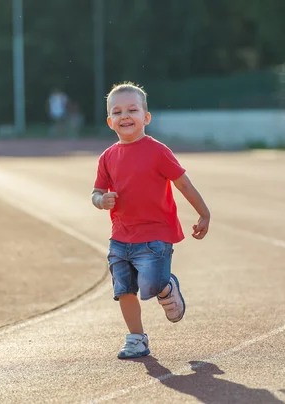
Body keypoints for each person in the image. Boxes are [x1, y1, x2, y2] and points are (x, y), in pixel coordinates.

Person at [91, 82, 211, 359]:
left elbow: (184, 184)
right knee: (124, 290)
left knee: (152, 285)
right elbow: (96, 191)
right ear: (110, 121)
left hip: (156, 234)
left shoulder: (157, 151)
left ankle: (167, 287)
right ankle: (136, 339)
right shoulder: (107, 157)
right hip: (120, 236)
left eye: (132, 109)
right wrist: (100, 201)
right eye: (117, 112)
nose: (125, 116)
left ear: (146, 117)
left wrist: (204, 213)